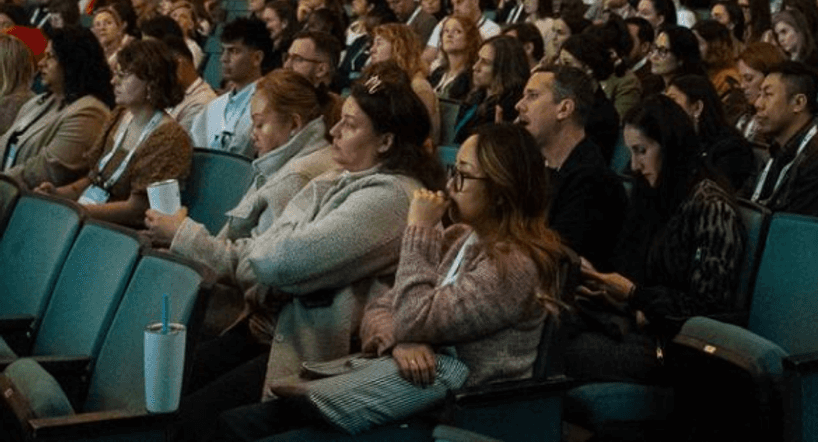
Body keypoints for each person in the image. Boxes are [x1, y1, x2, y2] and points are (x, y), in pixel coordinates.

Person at [221, 124, 566, 440]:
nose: (449, 186)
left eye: (463, 176)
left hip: (449, 415)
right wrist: (399, 343)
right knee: (239, 421)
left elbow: (414, 316)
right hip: (405, 393)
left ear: (502, 190)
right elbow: (382, 307)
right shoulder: (462, 237)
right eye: (453, 171)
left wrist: (418, 230)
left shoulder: (514, 266)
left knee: (250, 429)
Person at [177, 71, 443, 434]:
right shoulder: (337, 176)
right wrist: (281, 260)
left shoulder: (393, 197)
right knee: (172, 390)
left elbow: (275, 261)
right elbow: (272, 249)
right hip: (272, 327)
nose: (333, 133)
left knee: (196, 422)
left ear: (385, 141)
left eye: (349, 126)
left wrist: (281, 260)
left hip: (311, 350)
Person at [565, 95, 745, 385]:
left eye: (641, 151)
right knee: (550, 320)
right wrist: (610, 292)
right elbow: (640, 277)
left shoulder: (711, 206)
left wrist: (634, 295)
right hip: (636, 327)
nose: (634, 165)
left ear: (670, 147)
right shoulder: (653, 192)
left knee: (561, 348)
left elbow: (706, 308)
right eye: (631, 152)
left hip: (672, 349)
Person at [148, 68, 337, 263]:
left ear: (294, 125)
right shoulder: (289, 162)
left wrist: (180, 234)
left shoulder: (296, 177)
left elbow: (252, 265)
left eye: (260, 124)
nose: (251, 133)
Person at [46, 37, 191, 226]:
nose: (114, 81)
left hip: (124, 234)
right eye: (116, 73)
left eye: (123, 75)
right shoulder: (120, 115)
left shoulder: (171, 138)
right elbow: (95, 179)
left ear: (151, 81)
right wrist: (57, 195)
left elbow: (139, 211)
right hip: (92, 219)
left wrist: (76, 211)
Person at [516, 62, 626, 267]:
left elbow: (555, 257)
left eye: (532, 96)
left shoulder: (592, 181)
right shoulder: (538, 167)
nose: (519, 105)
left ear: (564, 108)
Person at [0, 25, 113, 187]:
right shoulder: (40, 101)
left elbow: (44, 171)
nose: (41, 64)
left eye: (50, 57)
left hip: (33, 203)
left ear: (71, 62)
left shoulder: (89, 112)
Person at [750, 61, 818, 216]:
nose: (758, 104)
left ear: (798, 103)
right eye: (759, 95)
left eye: (768, 95)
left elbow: (792, 231)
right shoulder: (776, 149)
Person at [189, 16, 271, 156]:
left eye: (233, 51)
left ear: (257, 58)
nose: (224, 59)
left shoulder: (270, 104)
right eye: (223, 51)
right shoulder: (213, 108)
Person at [453, 35, 529, 141]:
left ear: (504, 69)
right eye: (478, 59)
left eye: (485, 62)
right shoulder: (475, 98)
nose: (475, 67)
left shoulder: (511, 107)